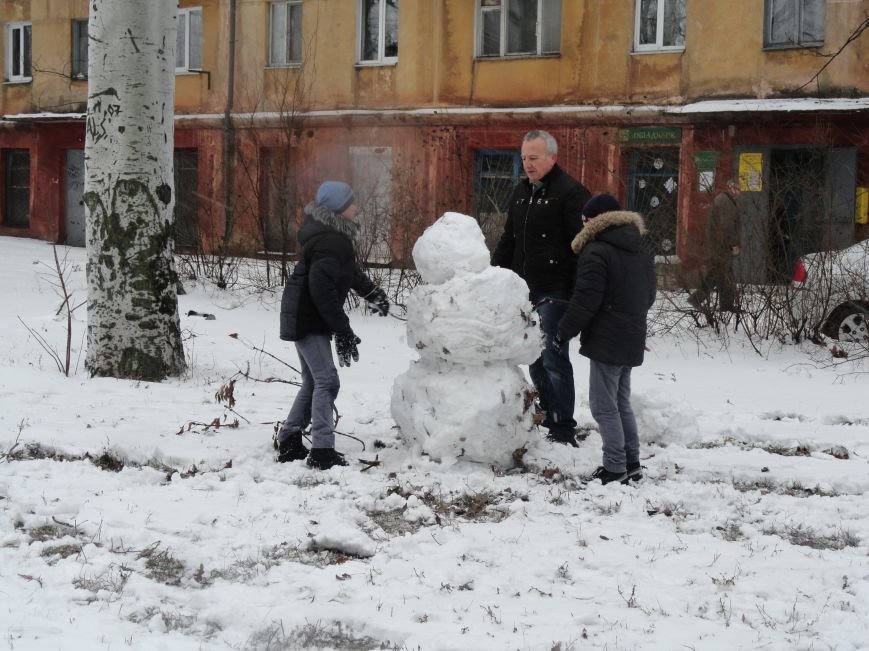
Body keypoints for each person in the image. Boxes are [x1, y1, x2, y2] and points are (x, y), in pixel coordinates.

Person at [277, 181, 390, 470]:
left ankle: (289, 439)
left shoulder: (332, 236)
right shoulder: (331, 240)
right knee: (327, 380)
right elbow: (321, 289)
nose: (357, 208)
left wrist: (371, 293)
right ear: (339, 209)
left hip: (303, 314)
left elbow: (348, 273)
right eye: (352, 203)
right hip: (308, 317)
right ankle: (322, 450)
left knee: (314, 381)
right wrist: (342, 328)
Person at [492, 130, 591, 446]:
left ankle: (563, 428)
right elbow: (509, 239)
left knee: (553, 356)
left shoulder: (571, 194)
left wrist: (578, 294)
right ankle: (548, 414)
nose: (527, 164)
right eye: (523, 158)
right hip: (525, 290)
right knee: (533, 356)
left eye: (533, 158)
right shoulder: (521, 193)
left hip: (557, 291)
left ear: (552, 157)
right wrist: (493, 277)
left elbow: (582, 247)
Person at [555, 193, 656, 484]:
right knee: (620, 401)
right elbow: (649, 296)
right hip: (632, 333)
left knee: (603, 404)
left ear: (595, 221)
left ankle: (615, 468)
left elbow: (585, 300)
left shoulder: (596, 251)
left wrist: (563, 332)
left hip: (607, 337)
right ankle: (631, 462)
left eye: (584, 219)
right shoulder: (640, 248)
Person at [690, 179, 742, 312]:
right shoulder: (725, 202)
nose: (739, 192)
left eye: (740, 190)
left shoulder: (724, 200)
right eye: (737, 189)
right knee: (717, 275)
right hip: (721, 247)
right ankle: (697, 299)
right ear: (730, 187)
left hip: (718, 246)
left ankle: (726, 305)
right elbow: (727, 227)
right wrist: (733, 245)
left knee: (725, 276)